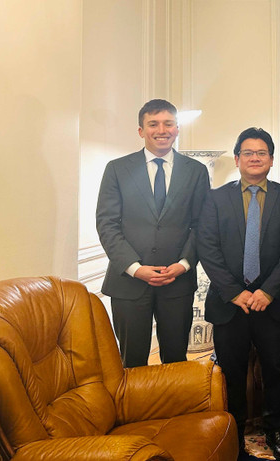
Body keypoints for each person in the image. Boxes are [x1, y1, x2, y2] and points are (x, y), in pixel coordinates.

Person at [197, 127, 280, 460]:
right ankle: (234, 432)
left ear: (271, 159)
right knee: (231, 373)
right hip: (230, 306)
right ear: (237, 158)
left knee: (276, 370)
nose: (255, 158)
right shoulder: (215, 198)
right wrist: (235, 293)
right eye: (248, 153)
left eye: (262, 153)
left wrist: (267, 292)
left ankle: (276, 430)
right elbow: (207, 247)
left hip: (272, 304)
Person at [96, 99, 210, 368]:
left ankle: (176, 409)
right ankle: (135, 412)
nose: (162, 130)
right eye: (153, 124)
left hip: (177, 283)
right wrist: (136, 268)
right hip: (129, 282)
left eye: (168, 123)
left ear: (177, 128)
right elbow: (107, 224)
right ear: (141, 131)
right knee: (132, 362)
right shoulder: (117, 169)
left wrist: (183, 265)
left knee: (176, 359)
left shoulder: (196, 172)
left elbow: (202, 225)